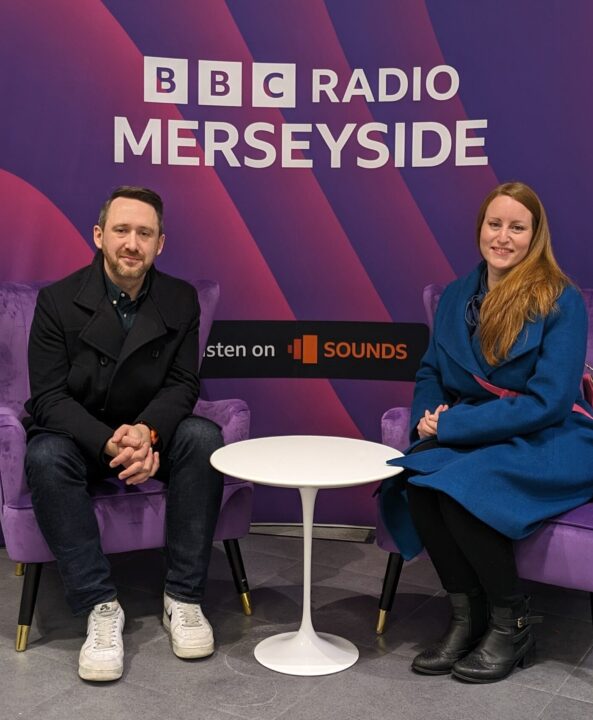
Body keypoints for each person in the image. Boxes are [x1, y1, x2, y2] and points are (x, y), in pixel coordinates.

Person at [381, 181, 593, 683]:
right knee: (416, 481)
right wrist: (428, 417)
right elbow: (431, 372)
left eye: (517, 227)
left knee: (463, 488)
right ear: (481, 228)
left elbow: (549, 402)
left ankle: (511, 622)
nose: (503, 237)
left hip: (554, 436)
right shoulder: (456, 295)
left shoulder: (561, 299)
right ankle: (468, 616)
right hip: (480, 433)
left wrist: (455, 424)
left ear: (534, 236)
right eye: (494, 224)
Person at [24, 186, 224, 682]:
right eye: (121, 230)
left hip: (149, 431)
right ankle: (99, 605)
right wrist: (111, 441)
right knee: (44, 455)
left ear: (160, 243)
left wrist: (148, 433)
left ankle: (183, 597)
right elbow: (48, 397)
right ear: (99, 236)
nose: (131, 243)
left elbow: (182, 384)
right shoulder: (57, 301)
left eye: (144, 233)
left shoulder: (181, 299)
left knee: (203, 438)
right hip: (84, 436)